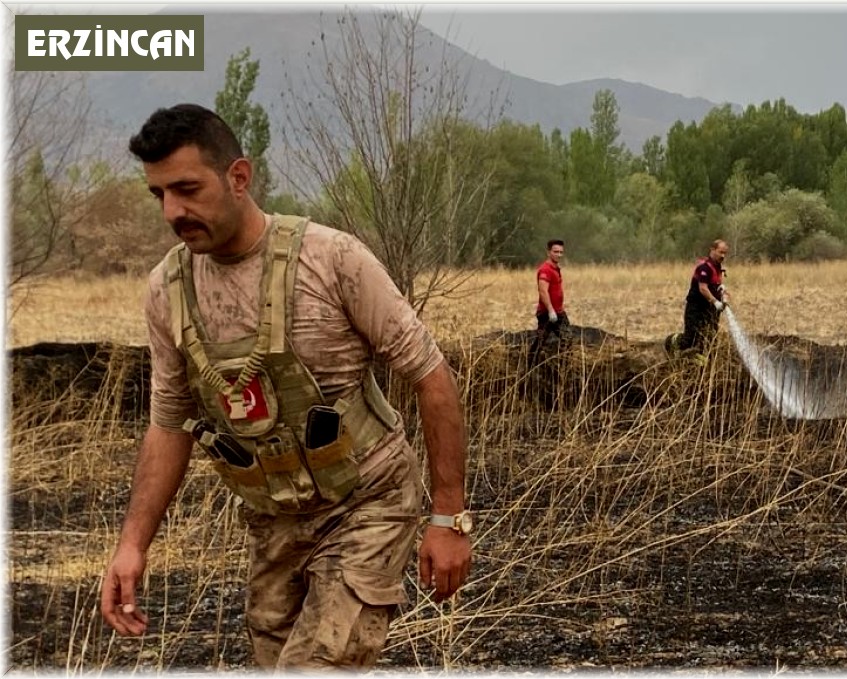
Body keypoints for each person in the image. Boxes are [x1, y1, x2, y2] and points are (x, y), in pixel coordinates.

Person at [99, 103, 473, 670]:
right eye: (159, 195)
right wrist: (132, 545)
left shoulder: (331, 260)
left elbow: (431, 376)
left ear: (239, 177)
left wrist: (448, 518)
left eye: (187, 188)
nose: (173, 211)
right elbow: (170, 423)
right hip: (274, 521)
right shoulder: (167, 290)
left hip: (367, 503)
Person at [668, 239, 731, 357]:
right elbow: (703, 288)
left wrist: (722, 291)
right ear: (712, 250)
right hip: (696, 307)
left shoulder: (718, 267)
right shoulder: (704, 268)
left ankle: (700, 363)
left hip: (710, 309)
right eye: (720, 252)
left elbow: (715, 284)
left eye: (725, 253)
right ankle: (671, 341)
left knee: (709, 338)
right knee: (690, 338)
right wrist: (716, 302)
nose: (723, 256)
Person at [527, 239, 568, 366]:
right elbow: (543, 291)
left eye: (561, 252)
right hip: (547, 313)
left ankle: (560, 368)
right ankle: (530, 367)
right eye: (556, 252)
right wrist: (550, 311)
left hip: (559, 312)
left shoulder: (556, 268)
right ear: (548, 252)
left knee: (567, 339)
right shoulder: (545, 270)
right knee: (540, 341)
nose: (559, 255)